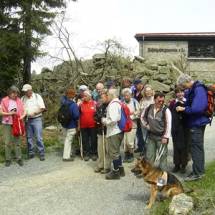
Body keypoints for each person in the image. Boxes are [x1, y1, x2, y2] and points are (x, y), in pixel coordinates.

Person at [176, 74, 210, 181]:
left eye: (183, 86)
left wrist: (183, 109)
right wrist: (184, 106)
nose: (183, 89)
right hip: (195, 122)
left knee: (196, 148)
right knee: (195, 147)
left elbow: (197, 108)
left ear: (186, 82)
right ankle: (197, 170)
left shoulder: (198, 89)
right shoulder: (194, 89)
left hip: (197, 123)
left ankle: (198, 173)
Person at [142, 92, 171, 170]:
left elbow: (169, 125)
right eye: (159, 101)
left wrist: (166, 137)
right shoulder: (149, 107)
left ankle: (163, 173)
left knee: (162, 156)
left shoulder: (166, 110)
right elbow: (142, 117)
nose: (161, 103)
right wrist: (146, 125)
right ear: (154, 100)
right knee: (149, 155)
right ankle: (148, 171)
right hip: (151, 136)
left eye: (162, 101)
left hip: (161, 138)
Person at [102, 89, 125, 180]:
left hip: (114, 131)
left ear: (112, 95)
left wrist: (104, 120)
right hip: (119, 130)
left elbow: (113, 120)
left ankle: (115, 172)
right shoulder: (119, 103)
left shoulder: (113, 105)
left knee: (114, 152)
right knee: (116, 151)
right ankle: (120, 169)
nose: (107, 96)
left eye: (107, 94)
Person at [0, 86, 26, 167]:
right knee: (7, 142)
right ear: (9, 93)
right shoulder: (4, 100)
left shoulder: (19, 100)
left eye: (16, 93)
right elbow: (0, 112)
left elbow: (24, 110)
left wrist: (22, 116)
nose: (15, 95)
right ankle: (8, 159)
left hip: (16, 123)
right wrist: (10, 114)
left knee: (17, 142)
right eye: (13, 93)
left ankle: (19, 158)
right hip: (7, 123)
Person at [21, 84, 46, 161]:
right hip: (27, 120)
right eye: (24, 91)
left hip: (37, 119)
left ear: (30, 90)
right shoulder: (22, 98)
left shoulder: (37, 96)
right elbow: (21, 109)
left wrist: (35, 113)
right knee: (29, 137)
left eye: (26, 91)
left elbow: (43, 108)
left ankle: (41, 153)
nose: (25, 92)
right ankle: (31, 153)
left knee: (38, 137)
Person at [169, 87, 189, 173]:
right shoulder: (173, 103)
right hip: (175, 127)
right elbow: (169, 114)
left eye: (182, 92)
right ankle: (176, 164)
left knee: (185, 146)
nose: (180, 94)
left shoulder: (188, 101)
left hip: (185, 127)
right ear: (176, 93)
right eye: (178, 92)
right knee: (176, 146)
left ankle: (184, 165)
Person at [94, 90, 111, 174]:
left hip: (108, 131)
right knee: (100, 149)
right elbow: (95, 116)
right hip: (100, 130)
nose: (101, 99)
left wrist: (104, 119)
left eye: (103, 97)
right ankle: (100, 165)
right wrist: (98, 118)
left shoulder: (110, 106)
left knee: (107, 149)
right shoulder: (99, 106)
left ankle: (107, 166)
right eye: (100, 97)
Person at [60, 88, 80, 161]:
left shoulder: (63, 103)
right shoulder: (73, 104)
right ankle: (66, 156)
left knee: (67, 139)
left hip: (64, 124)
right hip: (71, 125)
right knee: (68, 141)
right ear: (73, 95)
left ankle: (69, 153)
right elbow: (76, 116)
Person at [121, 88, 140, 162]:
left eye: (127, 96)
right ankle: (126, 155)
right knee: (125, 141)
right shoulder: (122, 102)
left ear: (131, 95)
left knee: (130, 141)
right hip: (123, 125)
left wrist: (130, 117)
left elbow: (138, 113)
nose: (126, 97)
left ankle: (131, 154)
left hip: (132, 124)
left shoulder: (135, 102)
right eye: (125, 96)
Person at [79, 90, 97, 161]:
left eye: (86, 96)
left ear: (90, 96)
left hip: (93, 125)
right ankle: (86, 154)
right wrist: (78, 126)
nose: (84, 97)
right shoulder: (81, 104)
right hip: (83, 126)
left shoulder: (94, 103)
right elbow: (78, 115)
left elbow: (97, 114)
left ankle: (94, 153)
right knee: (85, 140)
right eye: (83, 96)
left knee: (93, 140)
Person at [140, 85, 155, 153]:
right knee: (144, 137)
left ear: (152, 91)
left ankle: (152, 152)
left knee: (153, 138)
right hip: (144, 122)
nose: (148, 92)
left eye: (149, 91)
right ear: (144, 92)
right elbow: (140, 110)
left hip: (153, 122)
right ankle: (148, 152)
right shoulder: (142, 100)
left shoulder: (155, 99)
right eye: (146, 91)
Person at [133, 79, 145, 154]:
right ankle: (140, 146)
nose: (136, 86)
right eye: (136, 85)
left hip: (142, 113)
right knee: (138, 132)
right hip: (136, 114)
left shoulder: (144, 92)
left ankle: (144, 148)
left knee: (143, 132)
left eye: (140, 84)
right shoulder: (134, 92)